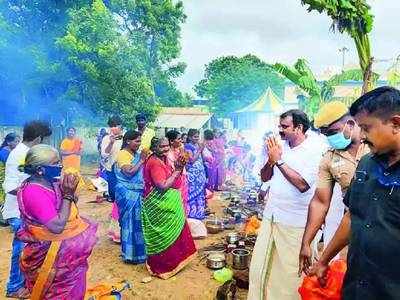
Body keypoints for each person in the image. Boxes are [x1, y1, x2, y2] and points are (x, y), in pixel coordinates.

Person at [309, 87, 400, 300]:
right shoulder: (367, 163)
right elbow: (352, 216)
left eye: (366, 128)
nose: (362, 136)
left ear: (395, 123)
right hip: (357, 286)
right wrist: (324, 260)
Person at [248, 110, 326, 300]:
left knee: (290, 275)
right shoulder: (279, 146)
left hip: (296, 223)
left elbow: (302, 185)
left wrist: (279, 161)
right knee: (262, 266)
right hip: (272, 216)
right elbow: (265, 176)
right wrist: (271, 161)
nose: (280, 130)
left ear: (299, 128)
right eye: (280, 126)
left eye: (285, 127)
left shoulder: (315, 149)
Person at [17, 144, 97, 299]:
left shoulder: (50, 181)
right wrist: (67, 194)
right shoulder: (34, 192)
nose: (60, 166)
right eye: (55, 163)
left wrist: (71, 191)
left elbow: (68, 204)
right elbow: (57, 226)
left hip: (66, 255)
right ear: (40, 170)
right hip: (49, 257)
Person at [299, 101, 369, 275]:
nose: (329, 138)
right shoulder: (329, 159)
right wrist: (306, 242)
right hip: (355, 227)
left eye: (332, 132)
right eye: (325, 134)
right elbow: (320, 202)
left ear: (351, 124)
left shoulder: (376, 146)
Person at [3, 120, 51, 299]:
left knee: (29, 250)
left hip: (25, 211)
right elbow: (9, 186)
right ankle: (14, 286)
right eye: (44, 140)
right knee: (21, 250)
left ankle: (24, 283)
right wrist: (31, 195)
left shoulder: (26, 152)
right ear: (38, 138)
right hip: (17, 212)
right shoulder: (21, 154)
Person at [142, 137, 196, 279]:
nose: (166, 149)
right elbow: (163, 186)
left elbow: (172, 178)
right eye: (162, 146)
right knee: (164, 234)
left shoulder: (163, 159)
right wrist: (178, 170)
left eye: (167, 146)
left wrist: (179, 168)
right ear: (154, 148)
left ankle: (175, 261)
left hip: (169, 201)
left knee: (177, 228)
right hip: (159, 204)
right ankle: (164, 267)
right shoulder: (154, 162)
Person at [114, 130, 147, 264]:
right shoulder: (123, 154)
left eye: (140, 141)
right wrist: (142, 160)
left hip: (137, 191)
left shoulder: (135, 154)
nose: (139, 144)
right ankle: (129, 254)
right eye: (137, 141)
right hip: (126, 192)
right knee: (129, 223)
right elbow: (128, 172)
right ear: (128, 141)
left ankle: (139, 253)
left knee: (138, 223)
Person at [101, 115, 123, 243]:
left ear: (121, 126)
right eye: (111, 126)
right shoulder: (106, 138)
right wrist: (111, 142)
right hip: (111, 172)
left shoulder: (127, 137)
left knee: (122, 198)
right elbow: (104, 154)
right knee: (114, 196)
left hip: (124, 172)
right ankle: (116, 223)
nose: (114, 128)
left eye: (116, 125)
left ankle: (121, 225)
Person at [184, 129, 207, 220]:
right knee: (192, 194)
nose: (197, 138)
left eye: (198, 136)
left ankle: (199, 213)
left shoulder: (197, 145)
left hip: (200, 174)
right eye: (195, 136)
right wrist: (200, 150)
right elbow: (191, 160)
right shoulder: (187, 147)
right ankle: (191, 214)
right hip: (192, 175)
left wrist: (201, 150)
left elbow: (203, 158)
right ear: (190, 137)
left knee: (200, 193)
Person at [166, 130, 189, 214]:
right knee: (178, 199)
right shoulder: (168, 153)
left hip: (182, 176)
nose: (181, 141)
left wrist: (182, 151)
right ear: (172, 141)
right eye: (179, 139)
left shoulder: (178, 150)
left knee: (183, 198)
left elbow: (186, 160)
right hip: (174, 178)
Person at [0, 133, 20, 225]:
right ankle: (4, 219)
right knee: (3, 197)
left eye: (19, 141)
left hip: (6, 177)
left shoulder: (11, 151)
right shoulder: (4, 152)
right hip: (2, 177)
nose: (18, 143)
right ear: (8, 142)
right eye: (16, 141)